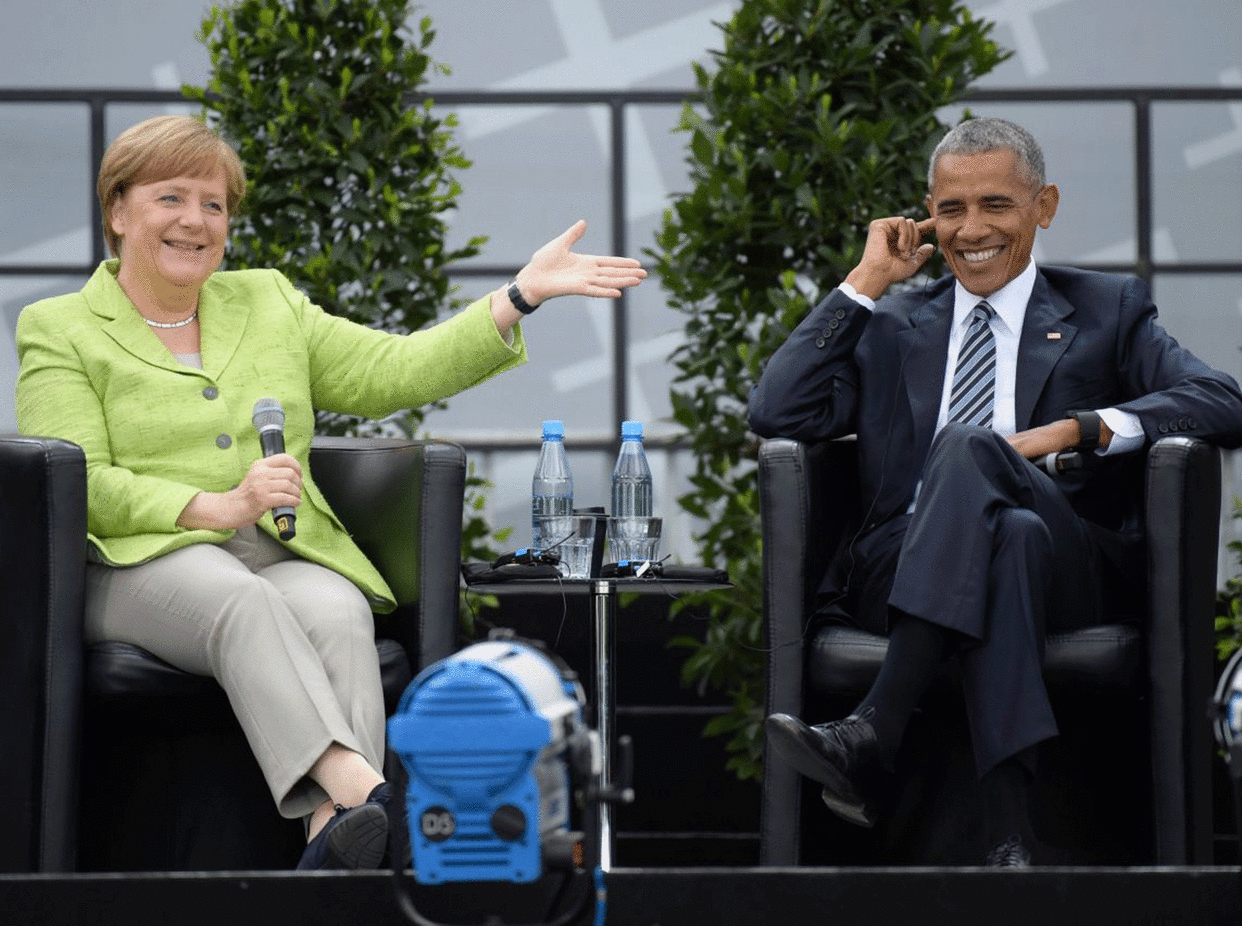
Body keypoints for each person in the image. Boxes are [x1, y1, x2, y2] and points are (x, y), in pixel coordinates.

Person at [14, 114, 646, 871]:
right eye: (171, 198)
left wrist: (519, 295)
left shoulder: (266, 301)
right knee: (236, 598)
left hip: (272, 546)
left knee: (336, 606)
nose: (195, 221)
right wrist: (215, 508)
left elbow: (395, 370)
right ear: (118, 210)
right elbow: (81, 476)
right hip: (133, 560)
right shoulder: (61, 326)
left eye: (214, 205)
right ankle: (373, 795)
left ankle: (331, 852)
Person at [748, 117, 1242, 866]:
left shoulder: (1106, 311)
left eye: (996, 206)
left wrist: (1068, 431)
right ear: (926, 215)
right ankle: (1011, 837)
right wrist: (866, 282)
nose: (970, 229)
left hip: (1067, 570)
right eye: (950, 210)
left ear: (1042, 206)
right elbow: (776, 411)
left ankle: (875, 729)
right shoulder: (891, 326)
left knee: (973, 455)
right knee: (1007, 536)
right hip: (906, 565)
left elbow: (1222, 400)